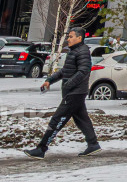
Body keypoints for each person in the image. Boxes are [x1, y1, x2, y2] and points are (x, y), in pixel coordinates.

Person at [26, 27, 100, 158]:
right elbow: (64, 71)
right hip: (75, 92)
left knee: (57, 119)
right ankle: (93, 144)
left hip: (74, 93)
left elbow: (83, 71)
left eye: (71, 37)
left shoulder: (82, 52)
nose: (68, 39)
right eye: (68, 37)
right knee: (82, 119)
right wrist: (49, 80)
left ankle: (41, 149)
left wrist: (68, 84)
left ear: (79, 38)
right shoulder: (74, 51)